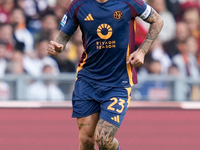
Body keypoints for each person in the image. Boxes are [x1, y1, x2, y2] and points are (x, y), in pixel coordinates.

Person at [47, 0, 163, 149]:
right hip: (87, 80)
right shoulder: (78, 5)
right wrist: (58, 46)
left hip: (118, 81)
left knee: (103, 138)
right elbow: (62, 37)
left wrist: (142, 51)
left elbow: (157, 20)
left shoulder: (129, 2)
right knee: (86, 139)